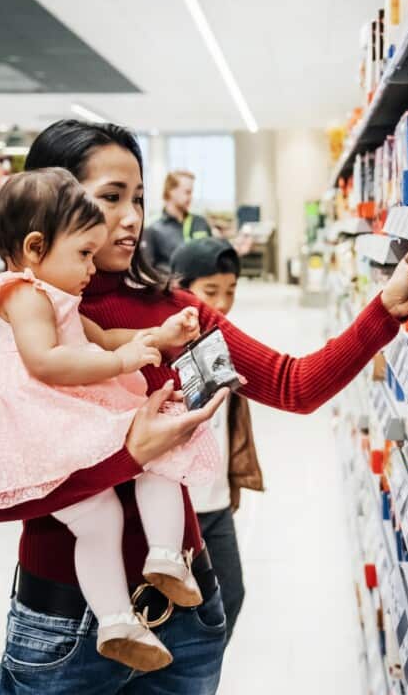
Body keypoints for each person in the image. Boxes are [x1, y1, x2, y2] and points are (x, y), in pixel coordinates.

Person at [0, 119, 408, 695]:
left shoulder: (172, 312)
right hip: (64, 630)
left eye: (139, 198)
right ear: (54, 205)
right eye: (109, 198)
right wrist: (129, 455)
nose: (130, 219)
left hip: (185, 623)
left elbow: (294, 385)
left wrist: (386, 307)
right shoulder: (2, 330)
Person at [0, 168, 225, 673]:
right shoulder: (23, 295)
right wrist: (125, 364)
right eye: (83, 253)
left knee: (137, 482)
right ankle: (126, 604)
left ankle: (150, 578)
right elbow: (46, 363)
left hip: (67, 418)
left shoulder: (58, 296)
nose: (90, 267)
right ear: (36, 248)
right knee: (123, 490)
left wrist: (161, 334)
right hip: (41, 426)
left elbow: (102, 339)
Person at [168, 237, 259, 645]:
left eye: (231, 292)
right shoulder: (163, 348)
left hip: (215, 501)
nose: (222, 304)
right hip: (176, 505)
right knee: (180, 609)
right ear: (181, 289)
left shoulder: (223, 343)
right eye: (210, 292)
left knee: (231, 595)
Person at [143, 170, 212, 270]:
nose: (191, 197)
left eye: (191, 192)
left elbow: (212, 257)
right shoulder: (152, 228)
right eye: (187, 192)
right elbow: (147, 269)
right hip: (170, 283)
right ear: (171, 191)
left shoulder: (201, 222)